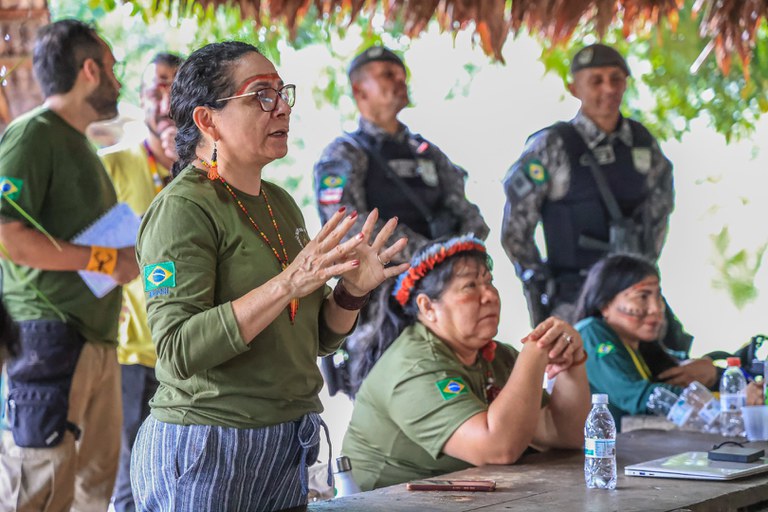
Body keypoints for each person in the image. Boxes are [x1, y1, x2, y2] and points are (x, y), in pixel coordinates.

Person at [130, 41, 407, 512]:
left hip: (285, 441)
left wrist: (352, 293)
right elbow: (177, 351)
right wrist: (287, 283)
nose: (281, 107)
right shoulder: (183, 208)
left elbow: (316, 339)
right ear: (207, 120)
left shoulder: (279, 202)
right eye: (261, 95)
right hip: (210, 445)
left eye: (282, 92)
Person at [0, 19, 139, 511]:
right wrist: (107, 259)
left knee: (91, 491)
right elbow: (10, 237)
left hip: (95, 341)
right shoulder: (31, 136)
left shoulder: (83, 145)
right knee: (39, 488)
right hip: (49, 336)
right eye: (113, 69)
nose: (118, 81)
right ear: (89, 70)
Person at [342, 235, 590, 490]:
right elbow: (498, 449)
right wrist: (535, 351)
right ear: (428, 307)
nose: (490, 295)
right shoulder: (414, 366)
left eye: (489, 282)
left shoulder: (495, 356)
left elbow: (563, 433)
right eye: (470, 286)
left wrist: (573, 360)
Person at [313, 46, 489, 397]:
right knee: (389, 396)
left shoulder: (426, 151)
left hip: (445, 297)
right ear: (359, 90)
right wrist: (429, 254)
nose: (399, 81)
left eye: (401, 73)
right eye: (387, 75)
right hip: (382, 306)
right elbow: (349, 221)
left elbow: (466, 209)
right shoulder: (345, 152)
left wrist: (467, 248)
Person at [501, 43, 674, 333]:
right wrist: (544, 286)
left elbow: (659, 214)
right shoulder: (551, 146)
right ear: (574, 88)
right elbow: (515, 232)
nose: (608, 88)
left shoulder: (643, 143)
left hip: (636, 303)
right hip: (574, 302)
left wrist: (639, 278)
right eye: (596, 80)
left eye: (616, 79)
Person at [100, 51, 183, 512]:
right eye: (154, 90)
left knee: (177, 472)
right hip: (127, 347)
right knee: (129, 477)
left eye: (174, 88)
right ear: (141, 99)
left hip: (187, 348)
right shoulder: (110, 165)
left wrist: (184, 166)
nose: (163, 100)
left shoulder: (206, 170)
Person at [573, 254, 722, 427]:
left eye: (658, 297)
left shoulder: (638, 347)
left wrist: (715, 374)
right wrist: (715, 406)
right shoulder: (591, 333)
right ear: (605, 305)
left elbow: (683, 365)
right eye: (643, 297)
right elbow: (636, 395)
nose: (656, 308)